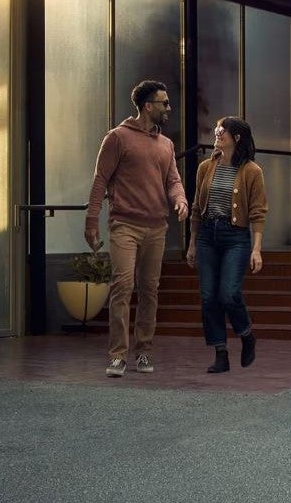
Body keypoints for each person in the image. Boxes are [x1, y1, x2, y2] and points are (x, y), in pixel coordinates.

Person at [86, 80, 188, 378]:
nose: (169, 108)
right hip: (125, 225)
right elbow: (100, 180)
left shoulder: (166, 145)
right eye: (164, 103)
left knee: (150, 291)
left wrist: (179, 199)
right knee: (123, 286)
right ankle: (118, 355)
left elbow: (173, 180)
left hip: (156, 227)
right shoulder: (117, 138)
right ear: (147, 105)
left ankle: (143, 352)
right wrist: (91, 220)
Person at [186, 116, 267, 373]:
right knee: (209, 296)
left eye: (223, 131)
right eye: (217, 130)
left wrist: (256, 249)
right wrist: (192, 245)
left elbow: (258, 212)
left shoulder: (253, 171)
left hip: (236, 238)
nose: (217, 134)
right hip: (208, 235)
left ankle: (246, 335)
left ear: (237, 138)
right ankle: (220, 353)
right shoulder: (205, 168)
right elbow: (197, 209)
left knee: (229, 294)